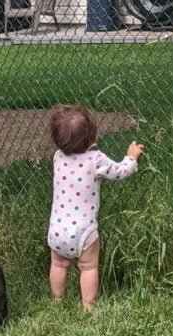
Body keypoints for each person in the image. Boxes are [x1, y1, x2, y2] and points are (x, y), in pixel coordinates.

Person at [47, 105, 144, 310]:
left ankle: (57, 301)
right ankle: (88, 306)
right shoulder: (95, 159)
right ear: (92, 137)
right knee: (88, 267)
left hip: (57, 229)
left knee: (58, 264)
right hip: (84, 230)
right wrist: (132, 157)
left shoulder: (58, 157)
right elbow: (120, 171)